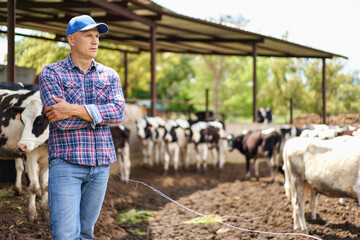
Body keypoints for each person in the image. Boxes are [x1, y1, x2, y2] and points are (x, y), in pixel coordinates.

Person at [39, 15, 125, 239]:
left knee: (86, 233)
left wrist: (74, 109)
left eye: (97, 36)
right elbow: (61, 120)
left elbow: (118, 112)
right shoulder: (52, 73)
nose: (95, 41)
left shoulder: (110, 75)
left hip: (101, 166)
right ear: (71, 40)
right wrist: (97, 114)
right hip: (67, 163)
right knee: (66, 235)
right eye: (88, 35)